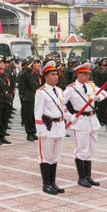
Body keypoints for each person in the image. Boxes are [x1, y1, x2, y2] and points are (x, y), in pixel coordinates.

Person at [63, 62, 105, 188]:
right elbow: (61, 103)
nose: (87, 76)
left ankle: (88, 176)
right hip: (80, 120)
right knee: (81, 150)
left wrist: (97, 97)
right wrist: (69, 116)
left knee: (91, 149)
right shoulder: (71, 88)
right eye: (84, 74)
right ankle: (81, 177)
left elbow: (104, 92)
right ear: (78, 74)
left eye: (88, 74)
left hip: (92, 119)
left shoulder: (91, 86)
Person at [35, 60, 67, 195]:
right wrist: (40, 130)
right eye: (53, 74)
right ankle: (46, 184)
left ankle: (53, 183)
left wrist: (71, 117)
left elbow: (63, 108)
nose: (56, 76)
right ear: (46, 76)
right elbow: (37, 113)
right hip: (47, 128)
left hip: (59, 127)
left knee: (55, 157)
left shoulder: (59, 91)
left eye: (56, 74)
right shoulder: (41, 92)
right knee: (45, 157)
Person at [18, 58, 41, 142]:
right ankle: (29, 133)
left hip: (36, 97)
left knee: (34, 116)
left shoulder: (36, 73)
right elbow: (21, 80)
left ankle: (33, 131)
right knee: (28, 116)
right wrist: (24, 94)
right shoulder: (25, 73)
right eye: (35, 63)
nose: (37, 65)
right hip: (28, 97)